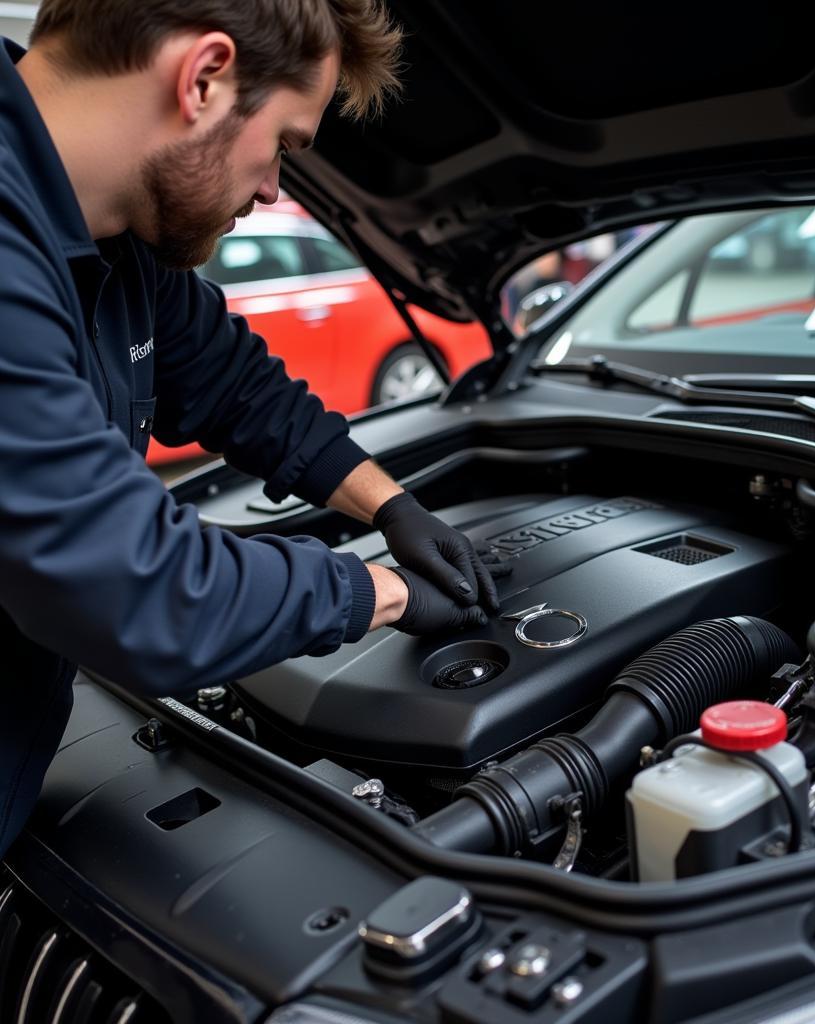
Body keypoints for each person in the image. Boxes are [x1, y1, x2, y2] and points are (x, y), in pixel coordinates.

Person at [0, 0, 501, 857]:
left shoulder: (111, 235)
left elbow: (234, 383)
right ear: (203, 78)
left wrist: (390, 506)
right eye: (285, 146)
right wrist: (379, 592)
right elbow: (140, 588)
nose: (274, 189)